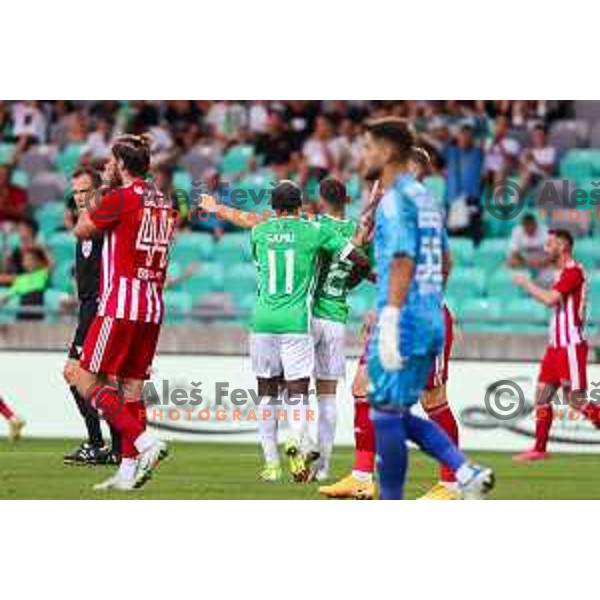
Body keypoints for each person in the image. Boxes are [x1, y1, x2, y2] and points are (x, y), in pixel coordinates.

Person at [360, 117, 494, 500]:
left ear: (387, 152)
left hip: (404, 319)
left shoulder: (395, 201)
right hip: (427, 314)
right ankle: (465, 472)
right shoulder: (425, 199)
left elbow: (402, 260)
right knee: (392, 412)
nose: (363, 155)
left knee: (387, 413)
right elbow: (446, 259)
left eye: (368, 147)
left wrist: (390, 316)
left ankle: (400, 496)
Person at [72, 134, 179, 491]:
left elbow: (81, 228)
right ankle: (127, 472)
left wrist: (102, 187)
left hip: (120, 304)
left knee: (84, 378)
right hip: (151, 306)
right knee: (131, 391)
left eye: (110, 162)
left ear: (121, 164)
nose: (107, 167)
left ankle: (145, 441)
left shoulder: (118, 197)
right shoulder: (165, 202)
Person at [249, 181, 370, 482]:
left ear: (274, 208)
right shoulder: (313, 230)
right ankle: (298, 441)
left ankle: (271, 465)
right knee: (299, 390)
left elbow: (260, 266)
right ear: (300, 205)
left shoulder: (258, 231)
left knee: (266, 391)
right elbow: (360, 259)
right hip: (298, 319)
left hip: (262, 319)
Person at [512, 229, 600, 461]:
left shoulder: (573, 272)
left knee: (576, 399)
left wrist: (526, 284)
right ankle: (539, 449)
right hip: (555, 347)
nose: (545, 248)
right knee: (542, 395)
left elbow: (551, 300)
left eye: (550, 244)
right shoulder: (562, 271)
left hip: (570, 346)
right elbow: (540, 262)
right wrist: (521, 259)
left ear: (562, 246)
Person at [309, 177, 374, 481]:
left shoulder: (312, 225)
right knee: (328, 397)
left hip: (307, 313)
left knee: (291, 388)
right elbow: (367, 269)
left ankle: (302, 448)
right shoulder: (356, 232)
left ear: (321, 198)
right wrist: (348, 283)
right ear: (346, 200)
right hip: (336, 316)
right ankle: (323, 469)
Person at [62, 167, 121, 466]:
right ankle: (113, 446)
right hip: (87, 309)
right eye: (75, 191)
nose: (80, 197)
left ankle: (103, 443)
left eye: (85, 190)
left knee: (76, 374)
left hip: (99, 310)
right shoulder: (84, 228)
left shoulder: (104, 228)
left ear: (98, 192)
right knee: (101, 381)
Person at [507, 213, 552, 285]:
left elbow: (552, 252)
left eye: (532, 227)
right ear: (523, 226)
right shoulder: (517, 231)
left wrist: (542, 262)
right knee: (510, 262)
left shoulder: (545, 230)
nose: (529, 230)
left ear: (535, 225)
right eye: (526, 228)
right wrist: (527, 262)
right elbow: (514, 252)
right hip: (524, 261)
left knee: (556, 259)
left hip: (542, 261)